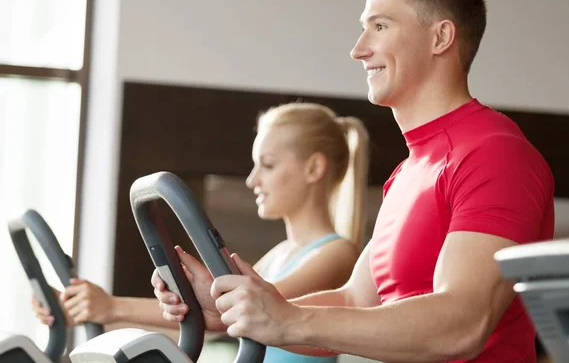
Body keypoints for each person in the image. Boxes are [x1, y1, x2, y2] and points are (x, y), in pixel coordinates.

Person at [152, 0, 555, 363]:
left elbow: (463, 323)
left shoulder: (495, 153)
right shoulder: (408, 173)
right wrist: (231, 310)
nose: (358, 50)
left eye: (380, 26)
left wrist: (286, 319)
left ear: (441, 37)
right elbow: (354, 302)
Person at [33, 102, 370, 362]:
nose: (253, 179)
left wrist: (111, 306)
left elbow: (251, 314)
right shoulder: (281, 253)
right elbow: (208, 323)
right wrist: (87, 311)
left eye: (267, 165)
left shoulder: (336, 254)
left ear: (313, 168)